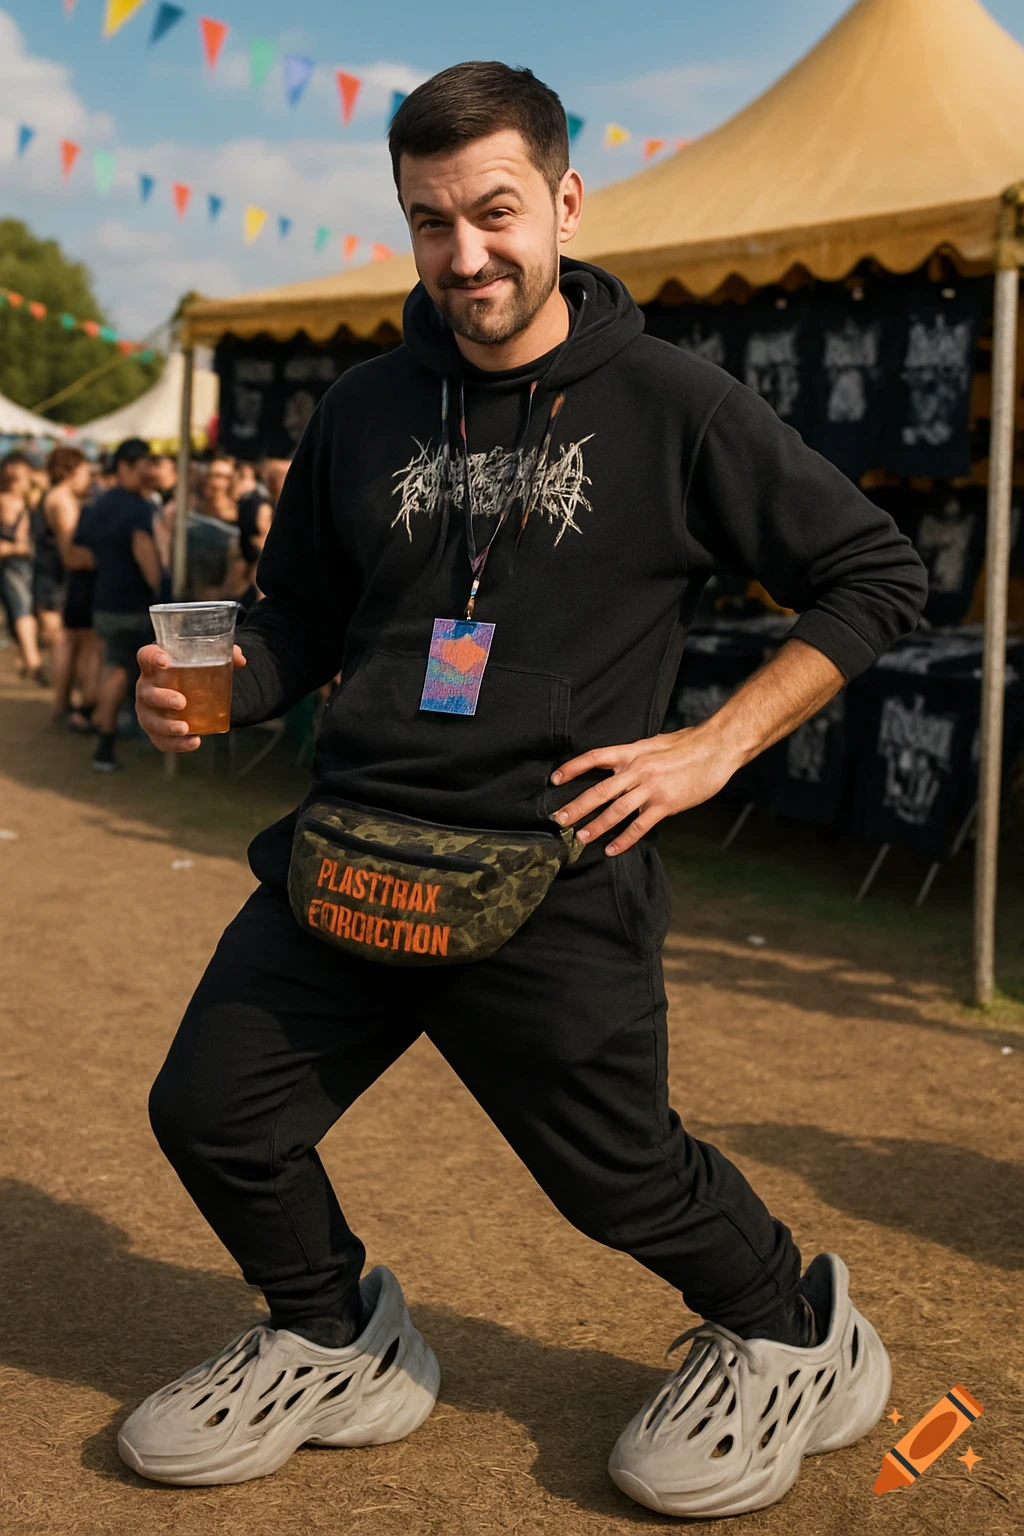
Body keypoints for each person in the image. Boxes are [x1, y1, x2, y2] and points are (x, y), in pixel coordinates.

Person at [127, 64, 927, 1518]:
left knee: (619, 1181)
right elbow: (298, 616)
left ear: (564, 201)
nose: (466, 253)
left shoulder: (678, 404)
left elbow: (872, 574)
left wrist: (714, 746)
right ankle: (334, 1336)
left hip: (553, 869)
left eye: (494, 211)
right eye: (430, 221)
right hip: (354, 848)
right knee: (212, 1112)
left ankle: (798, 1335)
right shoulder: (366, 404)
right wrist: (227, 685)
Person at [68, 437, 163, 772]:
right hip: (131, 604)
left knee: (111, 664)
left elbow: (76, 554)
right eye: (145, 464)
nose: (151, 471)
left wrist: (108, 564)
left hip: (104, 601)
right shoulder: (137, 508)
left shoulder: (101, 503)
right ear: (125, 466)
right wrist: (161, 593)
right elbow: (144, 552)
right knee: (120, 671)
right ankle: (105, 747)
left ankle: (101, 721)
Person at [41, 446, 99, 730]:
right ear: (71, 471)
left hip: (65, 580)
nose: (88, 479)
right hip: (69, 581)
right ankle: (63, 705)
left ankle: (64, 705)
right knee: (72, 642)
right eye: (85, 472)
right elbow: (70, 552)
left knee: (73, 642)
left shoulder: (60, 497)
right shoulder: (62, 500)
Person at [0, 450, 46, 685]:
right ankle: (32, 661)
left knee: (21, 611)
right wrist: (16, 548)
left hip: (22, 564)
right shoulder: (9, 501)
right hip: (14, 564)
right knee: (22, 610)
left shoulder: (29, 499)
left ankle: (28, 658)